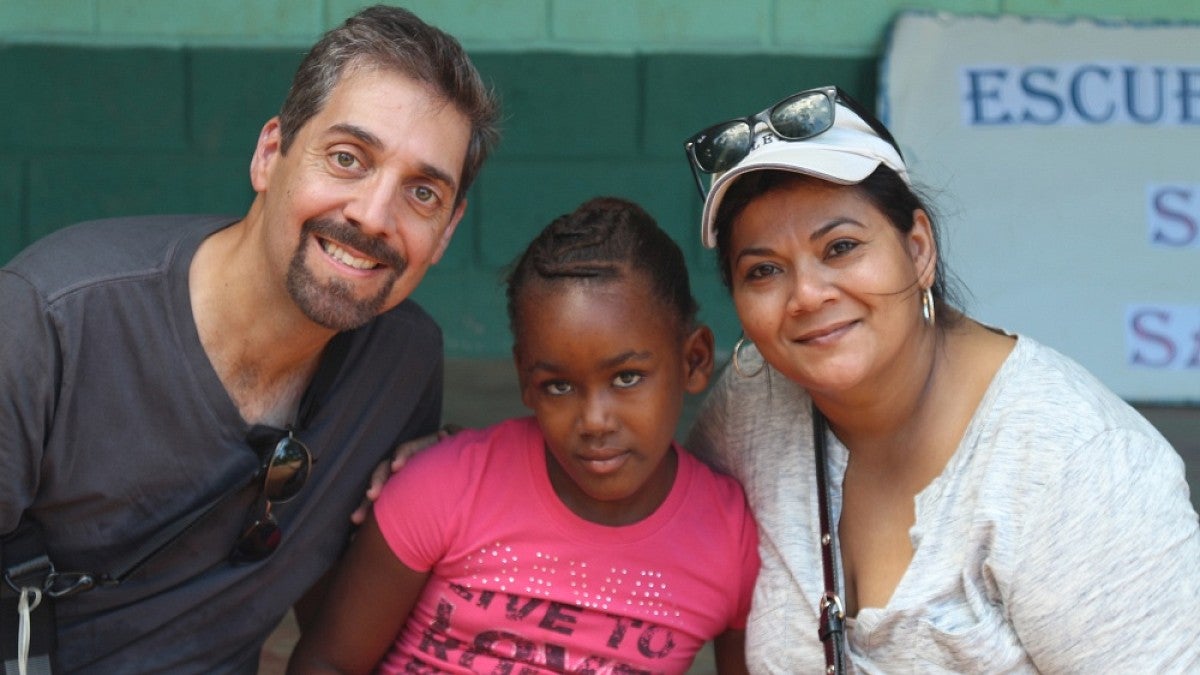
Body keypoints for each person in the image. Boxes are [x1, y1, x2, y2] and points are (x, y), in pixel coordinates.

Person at [0, 5, 499, 673]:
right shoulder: (51, 318)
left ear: (447, 231)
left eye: (423, 193)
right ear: (270, 154)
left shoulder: (400, 362)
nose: (374, 215)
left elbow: (334, 628)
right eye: (348, 158)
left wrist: (434, 484)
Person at [681, 85, 1200, 672]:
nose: (806, 295)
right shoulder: (751, 405)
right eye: (764, 271)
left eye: (842, 247)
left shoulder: (1077, 462)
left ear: (919, 248)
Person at [287, 197, 759, 675]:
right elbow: (327, 661)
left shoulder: (729, 540)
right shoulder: (447, 486)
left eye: (627, 378)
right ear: (526, 380)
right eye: (559, 386)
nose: (594, 421)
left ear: (694, 360)